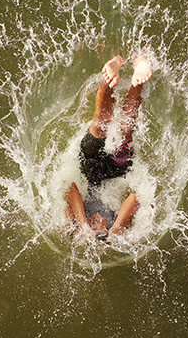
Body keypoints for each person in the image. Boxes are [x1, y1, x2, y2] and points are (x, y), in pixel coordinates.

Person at [64, 54, 152, 241]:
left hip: (90, 167)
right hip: (116, 170)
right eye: (99, 229)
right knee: (124, 130)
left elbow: (69, 188)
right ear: (105, 230)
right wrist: (115, 230)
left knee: (100, 124)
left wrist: (82, 225)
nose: (95, 222)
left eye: (91, 226)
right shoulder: (116, 228)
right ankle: (138, 74)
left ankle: (113, 68)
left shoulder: (74, 227)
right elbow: (135, 198)